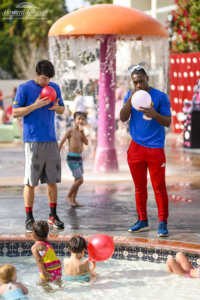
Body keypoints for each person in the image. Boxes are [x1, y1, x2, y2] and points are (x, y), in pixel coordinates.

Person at [12, 59, 65, 232]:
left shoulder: (55, 87)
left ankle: (53, 215)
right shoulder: (24, 88)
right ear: (36, 75)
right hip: (32, 140)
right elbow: (15, 112)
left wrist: (57, 107)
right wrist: (35, 105)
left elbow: (62, 109)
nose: (46, 82)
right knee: (30, 182)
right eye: (43, 79)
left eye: (48, 79)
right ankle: (29, 218)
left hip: (51, 139)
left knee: (52, 181)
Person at [120, 63, 171, 237]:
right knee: (139, 187)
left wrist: (154, 113)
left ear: (147, 78)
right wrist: (129, 99)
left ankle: (162, 222)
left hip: (155, 148)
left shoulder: (160, 96)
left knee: (159, 187)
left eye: (141, 81)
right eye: (135, 83)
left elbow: (167, 122)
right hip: (136, 148)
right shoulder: (131, 95)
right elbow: (122, 117)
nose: (138, 86)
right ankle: (142, 220)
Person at [58, 111, 88, 207]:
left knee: (77, 180)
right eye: (79, 118)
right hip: (71, 158)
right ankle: (68, 196)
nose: (81, 120)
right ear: (74, 120)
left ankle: (74, 200)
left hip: (79, 158)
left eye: (83, 119)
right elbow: (61, 142)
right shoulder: (70, 131)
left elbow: (86, 143)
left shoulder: (82, 132)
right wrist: (56, 154)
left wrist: (83, 133)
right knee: (80, 180)